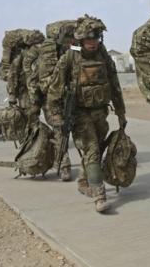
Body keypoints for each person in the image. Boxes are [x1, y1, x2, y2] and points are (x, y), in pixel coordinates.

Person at [47, 15, 126, 212]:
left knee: (97, 147)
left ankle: (84, 181)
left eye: (96, 38)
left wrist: (121, 112)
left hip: (100, 111)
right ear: (80, 40)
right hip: (79, 113)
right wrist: (56, 114)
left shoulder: (103, 56)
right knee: (92, 149)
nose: (93, 42)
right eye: (88, 39)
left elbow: (114, 85)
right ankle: (99, 194)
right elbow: (54, 89)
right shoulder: (69, 57)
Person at [27, 21, 76, 181]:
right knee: (60, 129)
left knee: (69, 130)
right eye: (68, 38)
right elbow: (45, 84)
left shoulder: (71, 49)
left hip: (68, 97)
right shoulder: (48, 53)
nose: (71, 41)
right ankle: (64, 164)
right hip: (50, 97)